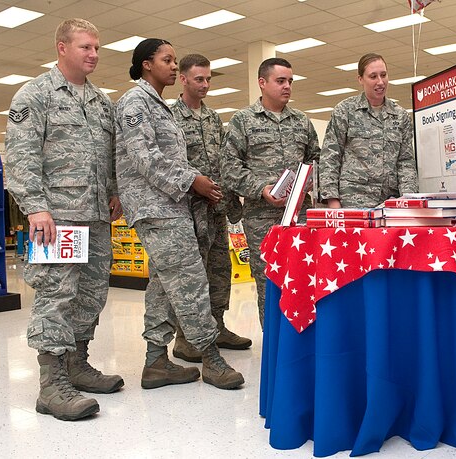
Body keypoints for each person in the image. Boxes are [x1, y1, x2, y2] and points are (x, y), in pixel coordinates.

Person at [5, 18, 124, 421]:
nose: (93, 54)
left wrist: (113, 192)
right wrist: (36, 207)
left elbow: (108, 154)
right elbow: (21, 158)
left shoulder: (99, 101)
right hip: (55, 219)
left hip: (94, 216)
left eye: (96, 48)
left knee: (91, 294)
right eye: (85, 47)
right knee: (56, 295)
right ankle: (51, 385)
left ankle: (77, 364)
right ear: (61, 47)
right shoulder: (35, 95)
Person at [115, 38, 244, 391]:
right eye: (167, 60)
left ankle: (156, 360)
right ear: (146, 64)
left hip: (170, 205)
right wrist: (193, 181)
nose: (174, 66)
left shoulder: (157, 105)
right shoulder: (135, 102)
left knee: (162, 284)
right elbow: (143, 156)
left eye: (175, 61)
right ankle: (209, 358)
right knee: (190, 281)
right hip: (157, 208)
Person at [221, 57, 320, 327]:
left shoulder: (301, 121)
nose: (287, 86)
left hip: (299, 213)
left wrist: (310, 178)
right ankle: (274, 345)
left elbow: (317, 159)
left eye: (290, 81)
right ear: (262, 83)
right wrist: (260, 188)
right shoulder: (243, 121)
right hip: (261, 217)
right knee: (269, 279)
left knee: (303, 275)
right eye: (280, 81)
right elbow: (229, 168)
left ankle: (302, 340)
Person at [170, 53, 251, 361]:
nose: (204, 85)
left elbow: (224, 161)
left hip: (217, 207)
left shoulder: (213, 118)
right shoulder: (171, 117)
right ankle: (185, 337)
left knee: (220, 270)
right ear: (183, 79)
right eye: (199, 79)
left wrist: (230, 201)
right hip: (188, 210)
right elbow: (170, 165)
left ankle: (217, 326)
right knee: (192, 275)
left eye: (208, 79)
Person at [319, 53, 418, 209]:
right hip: (352, 200)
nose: (380, 82)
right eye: (373, 76)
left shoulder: (400, 115)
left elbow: (405, 162)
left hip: (389, 202)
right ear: (361, 79)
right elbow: (330, 157)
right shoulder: (345, 111)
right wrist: (332, 200)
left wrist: (408, 199)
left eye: (383, 75)